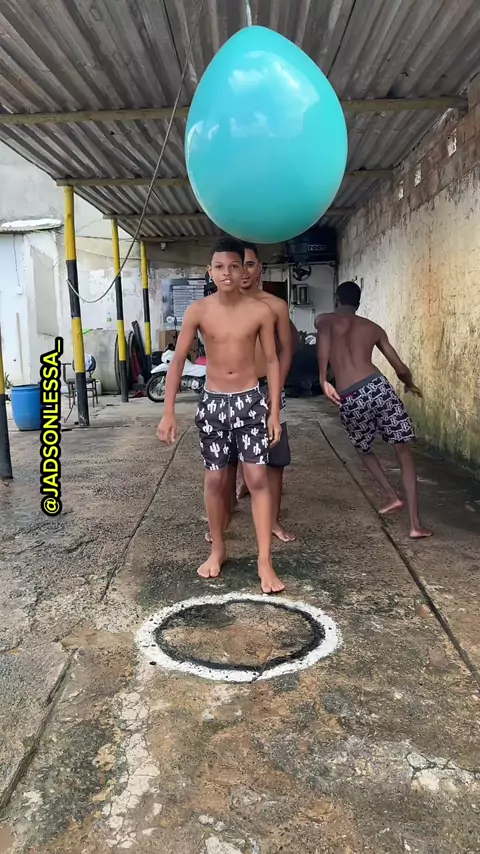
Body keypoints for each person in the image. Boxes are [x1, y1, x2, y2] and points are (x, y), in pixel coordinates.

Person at [157, 236, 286, 593]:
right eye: (220, 267)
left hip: (250, 401)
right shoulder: (198, 311)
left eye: (234, 266)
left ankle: (265, 561)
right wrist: (168, 411)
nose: (227, 273)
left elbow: (272, 361)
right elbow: (178, 361)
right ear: (209, 271)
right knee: (215, 480)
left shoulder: (261, 311)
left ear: (245, 270)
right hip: (213, 403)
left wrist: (274, 412)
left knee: (257, 478)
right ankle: (217, 549)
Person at [315, 281, 431, 539]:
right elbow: (400, 367)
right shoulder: (373, 328)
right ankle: (415, 525)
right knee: (403, 453)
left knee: (363, 448)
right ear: (358, 303)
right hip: (378, 387)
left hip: (349, 395)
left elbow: (323, 342)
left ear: (336, 299)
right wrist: (409, 384)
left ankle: (391, 495)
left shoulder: (325, 320)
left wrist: (323, 378)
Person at [230, 242, 296, 542]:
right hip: (230, 390)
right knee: (225, 459)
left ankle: (273, 521)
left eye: (250, 264)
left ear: (260, 268)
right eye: (238, 264)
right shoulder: (221, 305)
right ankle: (222, 517)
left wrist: (276, 388)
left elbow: (286, 350)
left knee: (274, 458)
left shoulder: (275, 305)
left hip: (267, 386)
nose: (244, 271)